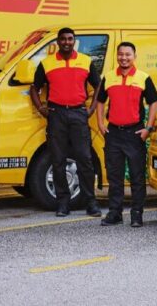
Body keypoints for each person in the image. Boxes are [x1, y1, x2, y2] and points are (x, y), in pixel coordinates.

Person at [29, 27, 103, 218]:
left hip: (79, 114)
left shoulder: (85, 61)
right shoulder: (47, 63)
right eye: (63, 39)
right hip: (57, 115)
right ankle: (63, 202)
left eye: (70, 39)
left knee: (84, 159)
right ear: (58, 41)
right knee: (58, 160)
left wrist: (91, 108)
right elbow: (34, 88)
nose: (67, 42)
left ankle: (91, 202)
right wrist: (41, 108)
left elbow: (99, 86)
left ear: (74, 41)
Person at [95, 42, 157, 227]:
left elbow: (154, 102)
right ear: (117, 56)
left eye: (127, 54)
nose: (124, 58)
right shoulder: (109, 77)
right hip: (114, 133)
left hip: (135, 133)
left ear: (134, 56)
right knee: (114, 177)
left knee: (137, 176)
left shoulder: (143, 78)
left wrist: (148, 128)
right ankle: (115, 213)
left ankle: (137, 214)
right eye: (121, 54)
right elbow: (100, 101)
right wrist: (100, 124)